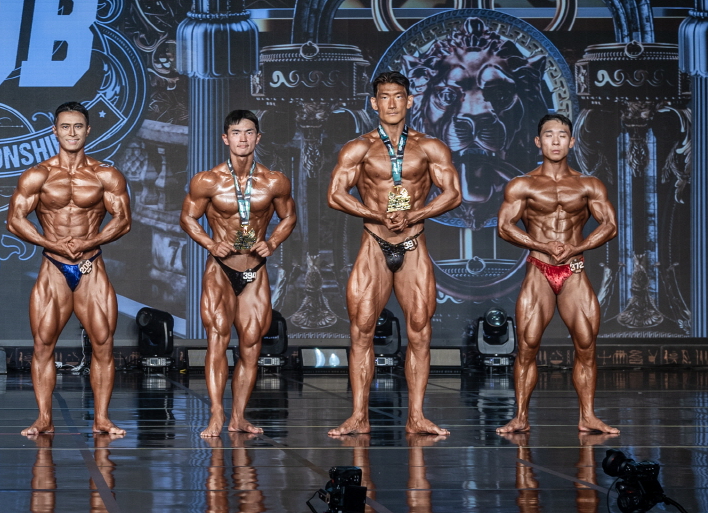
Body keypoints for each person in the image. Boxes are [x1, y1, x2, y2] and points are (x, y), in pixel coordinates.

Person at [326, 71, 462, 436]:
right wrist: (376, 215)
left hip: (413, 244)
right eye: (384, 96)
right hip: (374, 243)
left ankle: (416, 416)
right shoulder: (359, 148)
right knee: (361, 331)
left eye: (398, 96)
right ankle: (359, 416)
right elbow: (335, 194)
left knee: (420, 331)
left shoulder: (430, 148)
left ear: (409, 101)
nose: (391, 103)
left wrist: (414, 215)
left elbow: (453, 193)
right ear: (374, 103)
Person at [7, 101, 132, 437]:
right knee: (42, 344)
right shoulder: (39, 175)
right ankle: (44, 418)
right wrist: (52, 243)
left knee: (103, 344)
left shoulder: (105, 175)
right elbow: (14, 220)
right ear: (54, 131)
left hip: (91, 266)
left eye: (78, 126)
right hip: (54, 266)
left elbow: (123, 220)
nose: (72, 133)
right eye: (65, 126)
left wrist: (91, 240)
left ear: (88, 130)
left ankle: (102, 419)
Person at [495, 113, 619, 435]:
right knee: (527, 345)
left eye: (562, 135)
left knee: (586, 344)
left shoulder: (588, 185)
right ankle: (520, 417)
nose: (555, 141)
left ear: (571, 142)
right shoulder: (522, 185)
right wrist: (542, 245)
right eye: (549, 135)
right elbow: (504, 227)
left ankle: (588, 416)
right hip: (539, 269)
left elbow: (610, 225)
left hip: (574, 270)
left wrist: (577, 248)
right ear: (538, 142)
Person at [180, 110, 296, 436]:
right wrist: (209, 243)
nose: (242, 139)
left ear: (258, 138)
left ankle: (238, 417)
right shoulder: (207, 181)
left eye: (248, 132)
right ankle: (216, 413)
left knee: (251, 345)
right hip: (221, 268)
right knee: (217, 339)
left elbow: (288, 217)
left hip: (254, 270)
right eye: (236, 132)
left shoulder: (275, 181)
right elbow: (187, 217)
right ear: (225, 138)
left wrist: (272, 242)